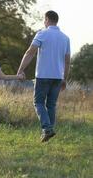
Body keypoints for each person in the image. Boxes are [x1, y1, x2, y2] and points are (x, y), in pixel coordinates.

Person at [17, 10, 70, 142]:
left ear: (47, 20)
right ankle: (49, 131)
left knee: (38, 102)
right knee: (51, 105)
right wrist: (65, 79)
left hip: (43, 76)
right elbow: (67, 61)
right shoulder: (65, 38)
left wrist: (20, 69)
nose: (44, 22)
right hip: (58, 77)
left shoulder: (42, 34)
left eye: (44, 20)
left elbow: (30, 52)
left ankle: (47, 129)